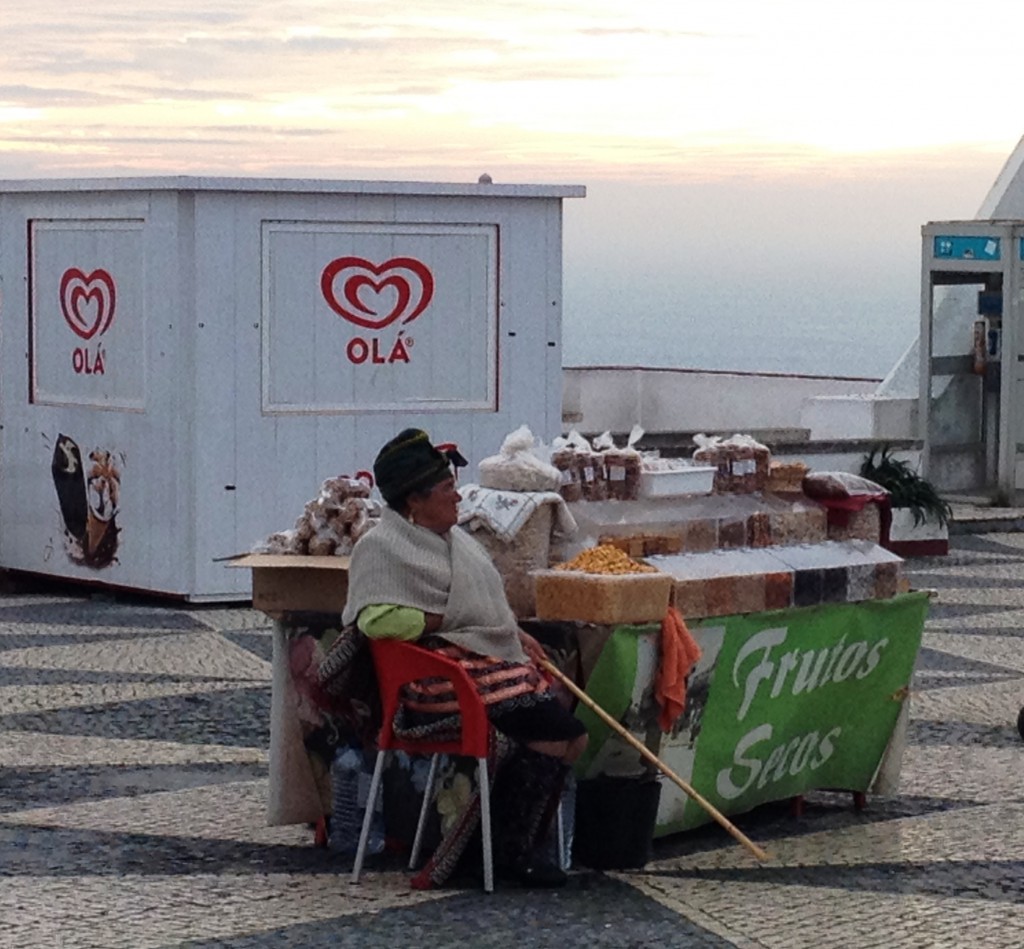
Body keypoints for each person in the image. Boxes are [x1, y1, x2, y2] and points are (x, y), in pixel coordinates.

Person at [342, 428, 587, 887]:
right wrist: (450, 621)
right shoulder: (381, 548)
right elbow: (376, 622)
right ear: (414, 502)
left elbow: (484, 608)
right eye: (447, 489)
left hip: (473, 664)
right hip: (434, 681)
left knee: (568, 733)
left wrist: (512, 634)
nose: (458, 497)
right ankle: (503, 852)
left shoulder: (457, 542)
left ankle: (505, 846)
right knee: (558, 734)